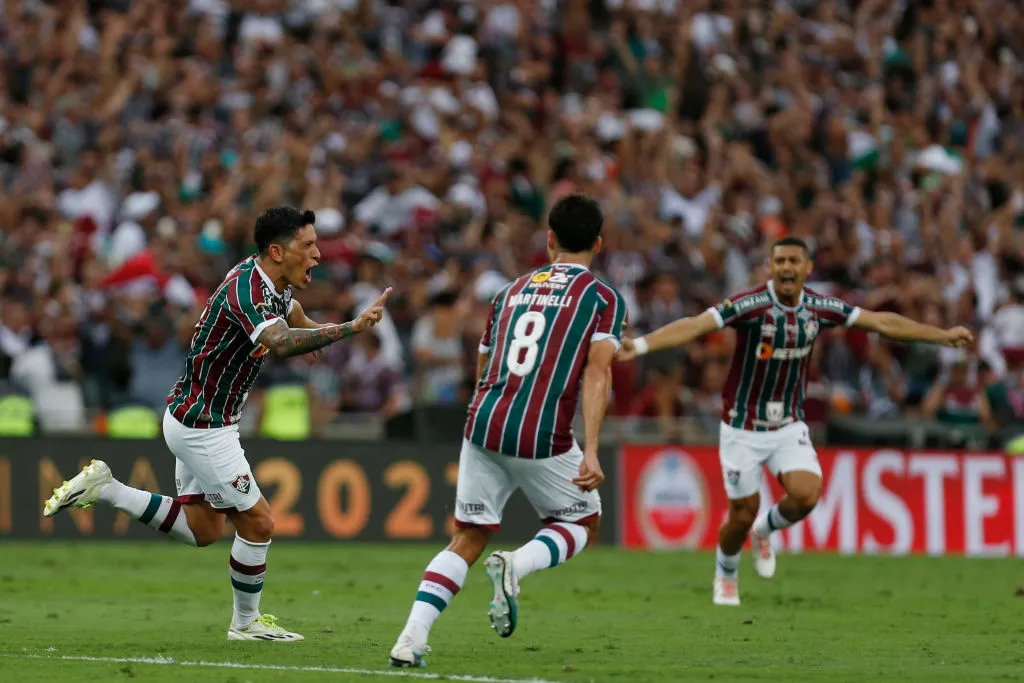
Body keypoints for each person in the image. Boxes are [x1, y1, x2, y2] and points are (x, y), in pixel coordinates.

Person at [43, 206, 391, 641]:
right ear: (278, 252)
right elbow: (280, 343)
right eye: (308, 246)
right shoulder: (248, 291)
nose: (318, 254)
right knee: (259, 523)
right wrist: (349, 328)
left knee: (203, 529)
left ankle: (108, 488)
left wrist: (309, 324)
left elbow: (290, 309)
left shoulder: (268, 278)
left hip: (193, 416)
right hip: (205, 426)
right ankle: (245, 624)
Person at [616, 237, 972, 606]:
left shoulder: (820, 307)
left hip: (788, 424)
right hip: (742, 426)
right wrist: (639, 346)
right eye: (780, 260)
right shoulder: (750, 305)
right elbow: (695, 326)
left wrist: (941, 336)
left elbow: (879, 321)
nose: (787, 267)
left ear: (807, 268)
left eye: (794, 261)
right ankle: (726, 570)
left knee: (807, 494)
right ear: (770, 267)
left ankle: (765, 529)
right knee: (740, 514)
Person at [389, 194, 627, 667]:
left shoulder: (509, 291)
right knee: (583, 522)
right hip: (542, 433)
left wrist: (487, 415)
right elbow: (598, 373)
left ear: (550, 239)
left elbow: (483, 363)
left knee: (468, 536)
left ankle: (410, 639)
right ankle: (515, 565)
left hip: (483, 422)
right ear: (598, 244)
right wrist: (591, 448)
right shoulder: (602, 298)